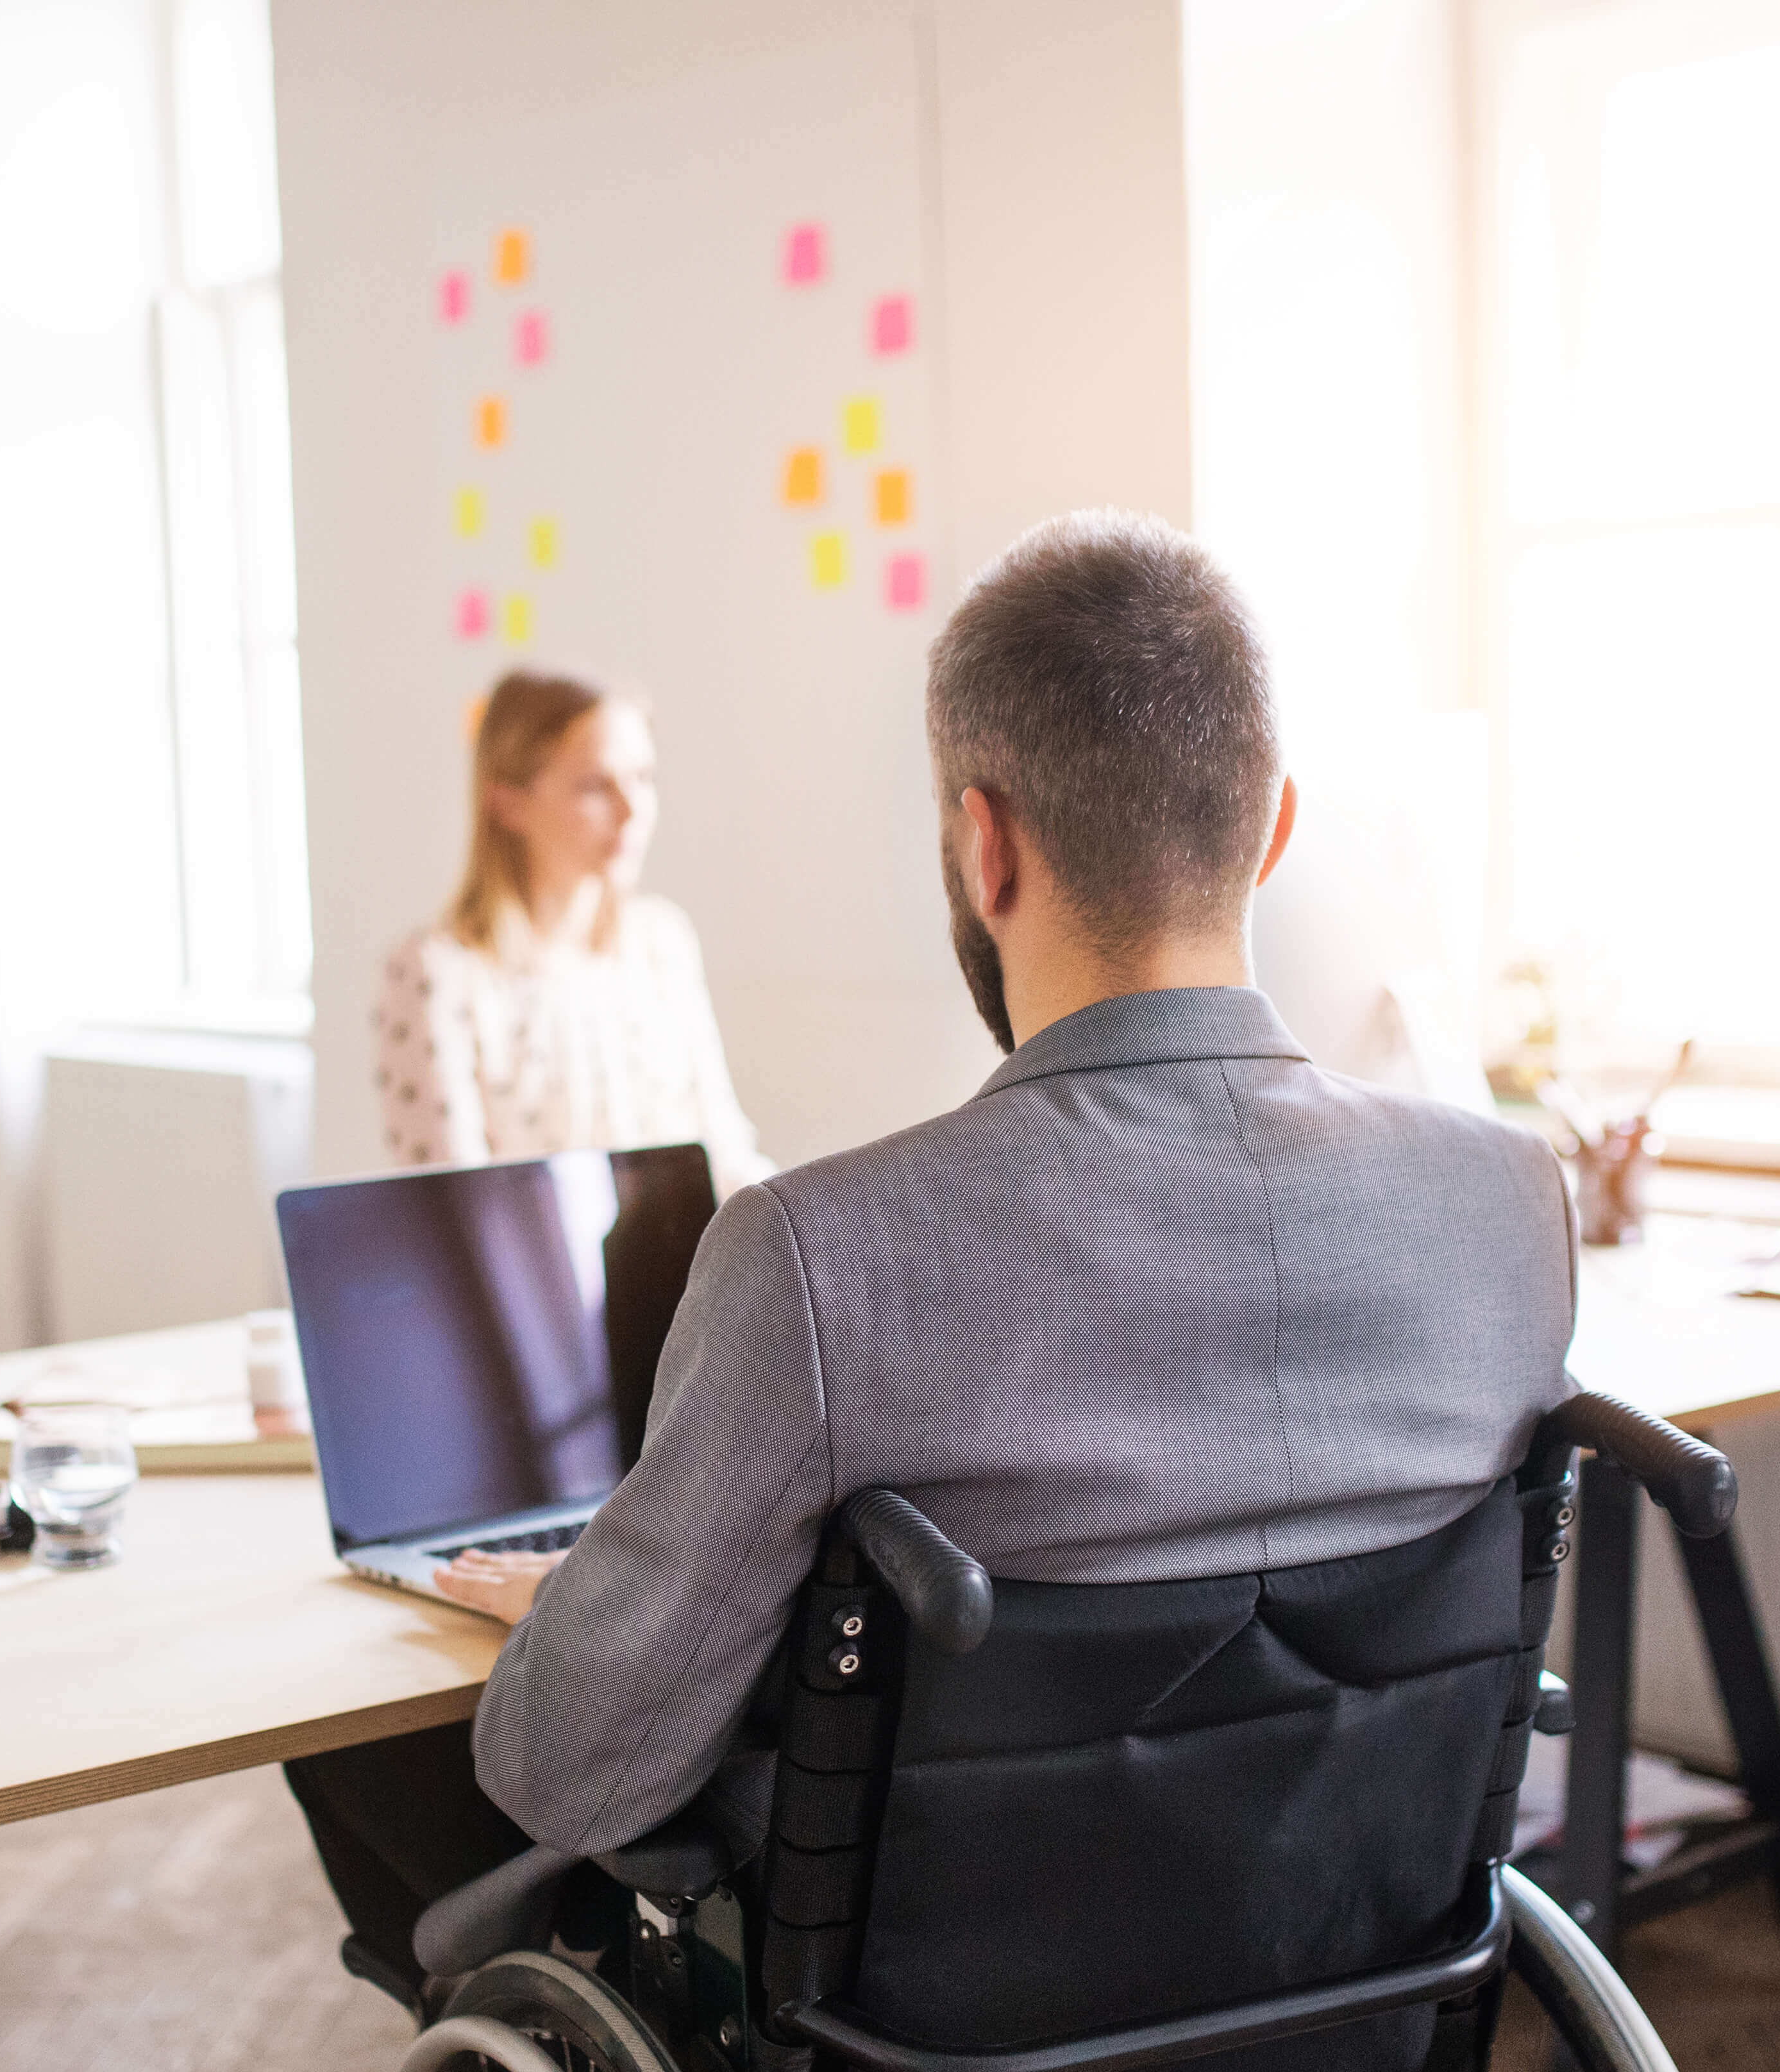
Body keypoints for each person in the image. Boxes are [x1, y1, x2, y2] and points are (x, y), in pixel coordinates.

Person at [285, 514, 1575, 1991]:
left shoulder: (817, 1257)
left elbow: (565, 1772)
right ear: (1270, 829)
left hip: (939, 2038)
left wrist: (587, 1623)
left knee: (356, 1738)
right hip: (1338, 1989)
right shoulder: (1509, 1203)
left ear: (983, 845)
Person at [371, 670, 769, 1186]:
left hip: (688, 1244)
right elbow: (453, 1201)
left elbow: (724, 1150)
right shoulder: (439, 973)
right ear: (508, 803)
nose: (633, 810)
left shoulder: (662, 942)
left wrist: (804, 1224)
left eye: (644, 778)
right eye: (595, 786)